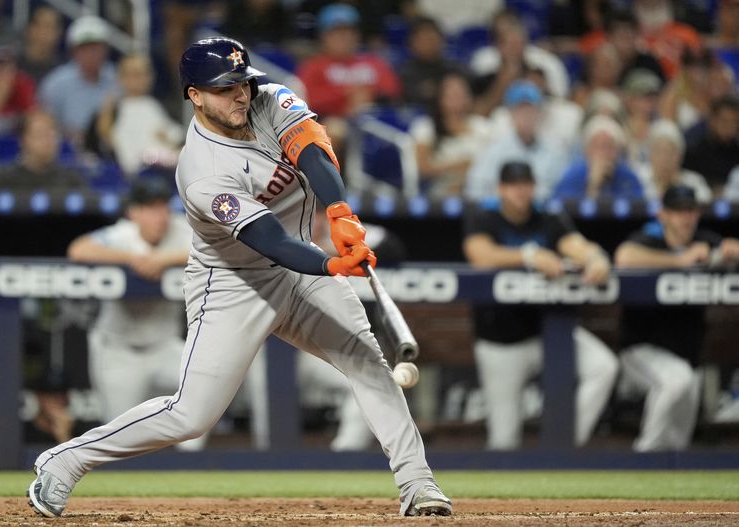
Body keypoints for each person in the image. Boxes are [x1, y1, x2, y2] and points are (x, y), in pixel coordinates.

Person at [27, 36, 452, 518]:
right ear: (195, 95)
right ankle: (66, 460)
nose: (239, 95)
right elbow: (269, 240)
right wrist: (333, 265)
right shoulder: (201, 170)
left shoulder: (268, 97)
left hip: (304, 264)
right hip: (233, 282)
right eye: (224, 88)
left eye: (241, 82)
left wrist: (338, 211)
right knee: (192, 414)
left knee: (368, 362)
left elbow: (313, 150)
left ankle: (418, 485)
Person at [462, 161, 619, 450]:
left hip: (549, 333)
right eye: (513, 185)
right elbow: (480, 255)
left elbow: (575, 244)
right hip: (501, 341)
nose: (520, 192)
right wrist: (529, 256)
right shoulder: (484, 215)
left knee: (603, 366)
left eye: (526, 185)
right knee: (504, 440)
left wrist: (597, 257)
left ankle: (565, 448)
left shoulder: (547, 215)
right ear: (501, 189)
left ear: (533, 187)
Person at [65, 176, 207, 450]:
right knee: (119, 441)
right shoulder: (122, 235)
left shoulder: (181, 230)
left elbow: (221, 248)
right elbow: (78, 249)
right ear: (134, 213)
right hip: (119, 351)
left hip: (165, 349)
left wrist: (163, 259)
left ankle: (192, 479)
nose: (159, 216)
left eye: (163, 207)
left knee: (202, 406)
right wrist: (131, 259)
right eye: (150, 208)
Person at [614, 185, 739, 451]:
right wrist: (680, 260)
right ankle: (644, 455)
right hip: (641, 350)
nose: (686, 217)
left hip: (686, 356)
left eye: (691, 211)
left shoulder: (704, 239)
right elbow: (624, 257)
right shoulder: (649, 237)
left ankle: (669, 485)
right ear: (663, 214)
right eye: (679, 211)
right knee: (676, 380)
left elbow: (727, 249)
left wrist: (730, 249)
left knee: (678, 440)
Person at [296, 3, 401, 162]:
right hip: (336, 121)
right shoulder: (314, 66)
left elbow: (393, 90)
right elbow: (308, 100)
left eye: (348, 32)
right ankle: (329, 183)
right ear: (324, 36)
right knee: (335, 130)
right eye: (337, 33)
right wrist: (345, 98)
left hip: (375, 120)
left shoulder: (373, 62)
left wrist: (371, 94)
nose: (344, 38)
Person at [465, 81, 569, 202]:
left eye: (530, 110)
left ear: (539, 113)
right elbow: (474, 190)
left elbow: (563, 191)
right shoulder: (493, 151)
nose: (526, 116)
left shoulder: (555, 152)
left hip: (542, 216)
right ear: (510, 114)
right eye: (520, 110)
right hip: (501, 215)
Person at [95, 53, 184, 178]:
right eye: (131, 74)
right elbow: (105, 139)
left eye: (141, 74)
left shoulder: (157, 106)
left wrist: (168, 140)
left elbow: (177, 138)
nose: (136, 80)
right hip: (132, 176)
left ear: (150, 77)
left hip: (165, 171)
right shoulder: (114, 108)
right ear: (120, 78)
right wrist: (106, 112)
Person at [409, 70, 492, 198]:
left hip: (480, 190)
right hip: (441, 192)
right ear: (440, 98)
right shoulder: (426, 127)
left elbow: (493, 162)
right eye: (452, 94)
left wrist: (471, 172)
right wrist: (460, 167)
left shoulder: (482, 126)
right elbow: (423, 168)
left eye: (462, 94)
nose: (458, 98)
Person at [38, 15, 118, 147]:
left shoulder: (117, 79)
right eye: (84, 48)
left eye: (96, 47)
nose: (92, 53)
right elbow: (45, 125)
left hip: (110, 149)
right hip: (67, 151)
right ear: (74, 51)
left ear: (106, 49)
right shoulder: (55, 84)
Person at [0, 109, 86, 192]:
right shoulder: (2, 181)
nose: (48, 141)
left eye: (52, 135)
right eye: (41, 134)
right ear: (24, 140)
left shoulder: (72, 181)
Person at [552, 115, 644, 201]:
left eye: (609, 147)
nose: (603, 153)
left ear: (618, 151)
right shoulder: (573, 175)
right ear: (586, 150)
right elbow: (560, 207)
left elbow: (639, 208)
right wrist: (593, 185)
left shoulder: (627, 177)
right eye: (598, 146)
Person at [636, 119, 711, 204]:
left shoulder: (694, 182)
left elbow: (705, 206)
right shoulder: (638, 180)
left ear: (680, 156)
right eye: (659, 151)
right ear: (650, 155)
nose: (665, 158)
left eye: (670, 152)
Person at [682, 94, 739, 195]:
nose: (729, 127)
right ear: (712, 120)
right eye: (725, 121)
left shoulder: (736, 152)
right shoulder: (694, 151)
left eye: (734, 122)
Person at [16, 5, 63, 85]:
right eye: (45, 25)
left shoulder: (62, 70)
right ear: (30, 29)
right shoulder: (14, 64)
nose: (48, 32)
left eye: (53, 27)